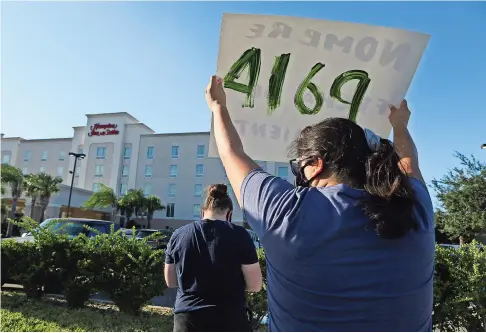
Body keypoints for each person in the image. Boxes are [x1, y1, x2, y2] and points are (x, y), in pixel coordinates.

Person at [205, 76, 434, 332]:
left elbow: (231, 153)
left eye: (299, 168)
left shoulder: (284, 211)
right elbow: (409, 164)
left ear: (316, 164)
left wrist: (218, 107)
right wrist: (400, 125)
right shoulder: (415, 207)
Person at [164, 184, 262, 332]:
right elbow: (255, 285)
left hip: (188, 318)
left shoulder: (179, 234)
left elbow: (170, 281)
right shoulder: (241, 235)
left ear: (202, 212)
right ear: (229, 214)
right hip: (230, 318)